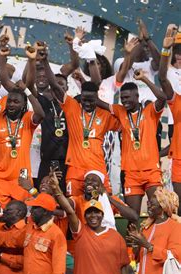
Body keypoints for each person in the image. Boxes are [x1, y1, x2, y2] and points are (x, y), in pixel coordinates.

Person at [43, 52, 120, 196]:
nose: (87, 103)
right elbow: (54, 85)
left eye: (92, 100)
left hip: (97, 167)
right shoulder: (72, 107)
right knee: (74, 205)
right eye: (84, 99)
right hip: (75, 168)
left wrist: (104, 105)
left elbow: (124, 121)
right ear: (80, 96)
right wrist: (45, 60)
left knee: (102, 205)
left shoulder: (105, 115)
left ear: (97, 97)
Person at [97, 72, 166, 214]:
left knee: (158, 212)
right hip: (131, 174)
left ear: (137, 96)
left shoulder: (150, 112)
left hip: (151, 171)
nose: (124, 101)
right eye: (122, 98)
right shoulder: (120, 111)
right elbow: (99, 102)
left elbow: (162, 98)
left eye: (127, 97)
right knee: (132, 218)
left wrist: (144, 79)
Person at [0, 84, 45, 207]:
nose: (11, 104)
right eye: (9, 101)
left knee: (21, 214)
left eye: (16, 102)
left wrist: (27, 91)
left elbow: (41, 114)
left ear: (23, 104)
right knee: (0, 216)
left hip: (21, 179)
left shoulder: (28, 118)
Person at [159, 24, 181, 213]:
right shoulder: (177, 102)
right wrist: (166, 49)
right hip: (180, 159)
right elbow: (163, 79)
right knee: (178, 208)